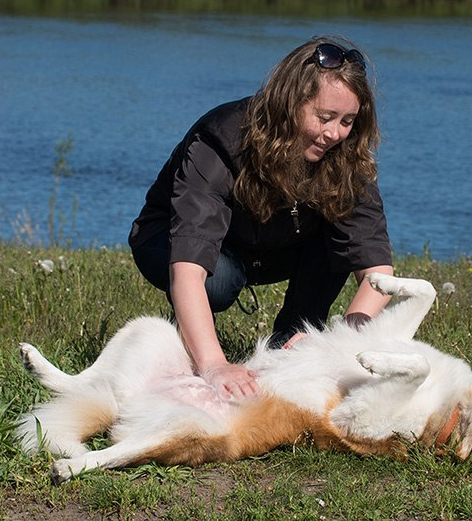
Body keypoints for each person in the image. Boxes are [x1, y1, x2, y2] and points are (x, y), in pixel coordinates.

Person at [129, 36, 394, 400]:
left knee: (338, 242)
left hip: (271, 245)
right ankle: (189, 340)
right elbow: (189, 266)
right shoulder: (222, 138)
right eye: (324, 117)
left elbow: (379, 275)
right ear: (290, 103)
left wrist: (339, 346)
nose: (335, 133)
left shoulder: (347, 155)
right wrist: (214, 365)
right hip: (174, 243)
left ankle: (293, 341)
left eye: (348, 120)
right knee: (218, 280)